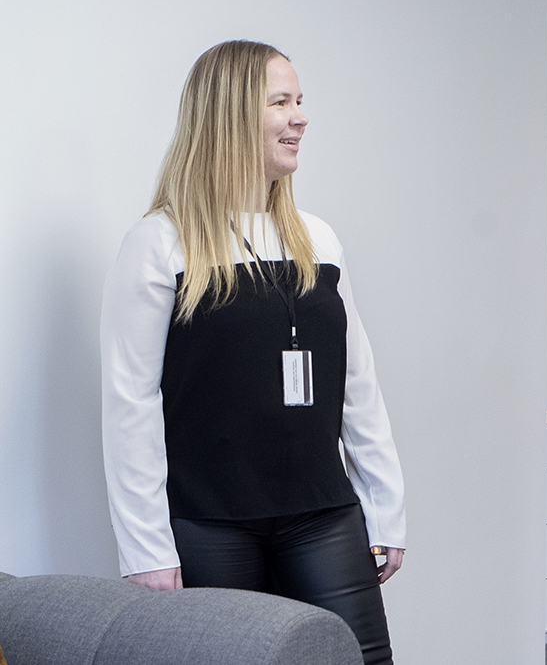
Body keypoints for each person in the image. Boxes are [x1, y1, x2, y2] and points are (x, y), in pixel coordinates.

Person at [101, 40, 406, 665]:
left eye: (300, 102)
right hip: (209, 523)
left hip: (322, 513)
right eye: (281, 102)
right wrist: (146, 548)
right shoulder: (159, 243)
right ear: (231, 113)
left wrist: (386, 506)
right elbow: (129, 402)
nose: (300, 117)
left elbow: (357, 384)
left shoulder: (316, 238)